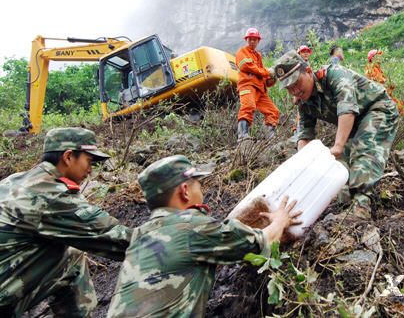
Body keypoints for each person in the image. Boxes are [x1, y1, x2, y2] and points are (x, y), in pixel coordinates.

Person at [107, 155, 300, 318]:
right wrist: (280, 220)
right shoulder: (191, 226)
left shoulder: (141, 234)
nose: (202, 192)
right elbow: (261, 242)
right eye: (199, 185)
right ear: (184, 191)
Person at [0, 127, 131, 317]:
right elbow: (114, 238)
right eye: (89, 160)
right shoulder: (50, 193)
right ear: (68, 157)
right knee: (72, 259)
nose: (90, 169)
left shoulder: (12, 182)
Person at [272, 51, 399, 219]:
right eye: (289, 88)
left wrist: (338, 146)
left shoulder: (333, 75)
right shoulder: (303, 102)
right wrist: (304, 165)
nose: (295, 90)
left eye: (296, 83)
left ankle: (361, 209)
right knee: (339, 168)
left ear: (308, 72)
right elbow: (305, 134)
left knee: (364, 150)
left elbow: (347, 108)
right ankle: (344, 206)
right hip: (354, 124)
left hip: (377, 108)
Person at [236, 28, 279, 141]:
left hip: (260, 90)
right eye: (250, 39)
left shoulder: (257, 55)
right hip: (247, 86)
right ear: (246, 40)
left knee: (272, 111)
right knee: (248, 107)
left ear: (258, 41)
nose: (252, 42)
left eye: (255, 39)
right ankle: (242, 136)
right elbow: (245, 66)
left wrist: (271, 78)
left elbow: (260, 73)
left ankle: (270, 138)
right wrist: (267, 72)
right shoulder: (242, 51)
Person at [364, 49, 404, 114]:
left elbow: (387, 84)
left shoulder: (378, 69)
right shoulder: (370, 68)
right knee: (403, 108)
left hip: (386, 98)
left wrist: (390, 84)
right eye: (377, 56)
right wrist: (387, 82)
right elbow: (379, 81)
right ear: (372, 58)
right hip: (381, 99)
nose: (379, 57)